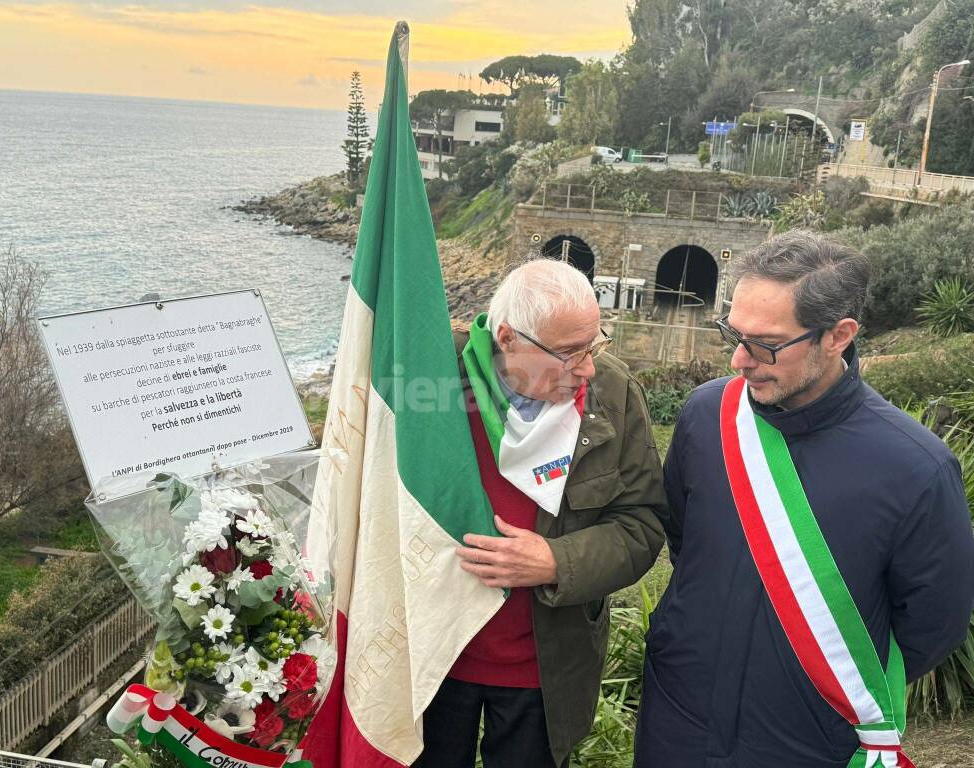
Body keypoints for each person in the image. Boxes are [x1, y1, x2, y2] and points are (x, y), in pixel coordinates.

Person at [634, 231, 974, 768]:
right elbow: (684, 541)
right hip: (678, 717)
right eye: (734, 333)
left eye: (766, 344)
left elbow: (935, 623)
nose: (739, 360)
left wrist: (809, 679)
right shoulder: (705, 417)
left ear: (838, 336)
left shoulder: (917, 469)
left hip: (810, 740)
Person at [413, 258, 667, 768]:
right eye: (570, 353)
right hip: (434, 657)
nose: (588, 369)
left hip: (545, 665)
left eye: (594, 347)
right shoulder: (431, 378)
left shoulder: (612, 394)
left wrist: (557, 562)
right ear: (508, 338)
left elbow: (642, 524)